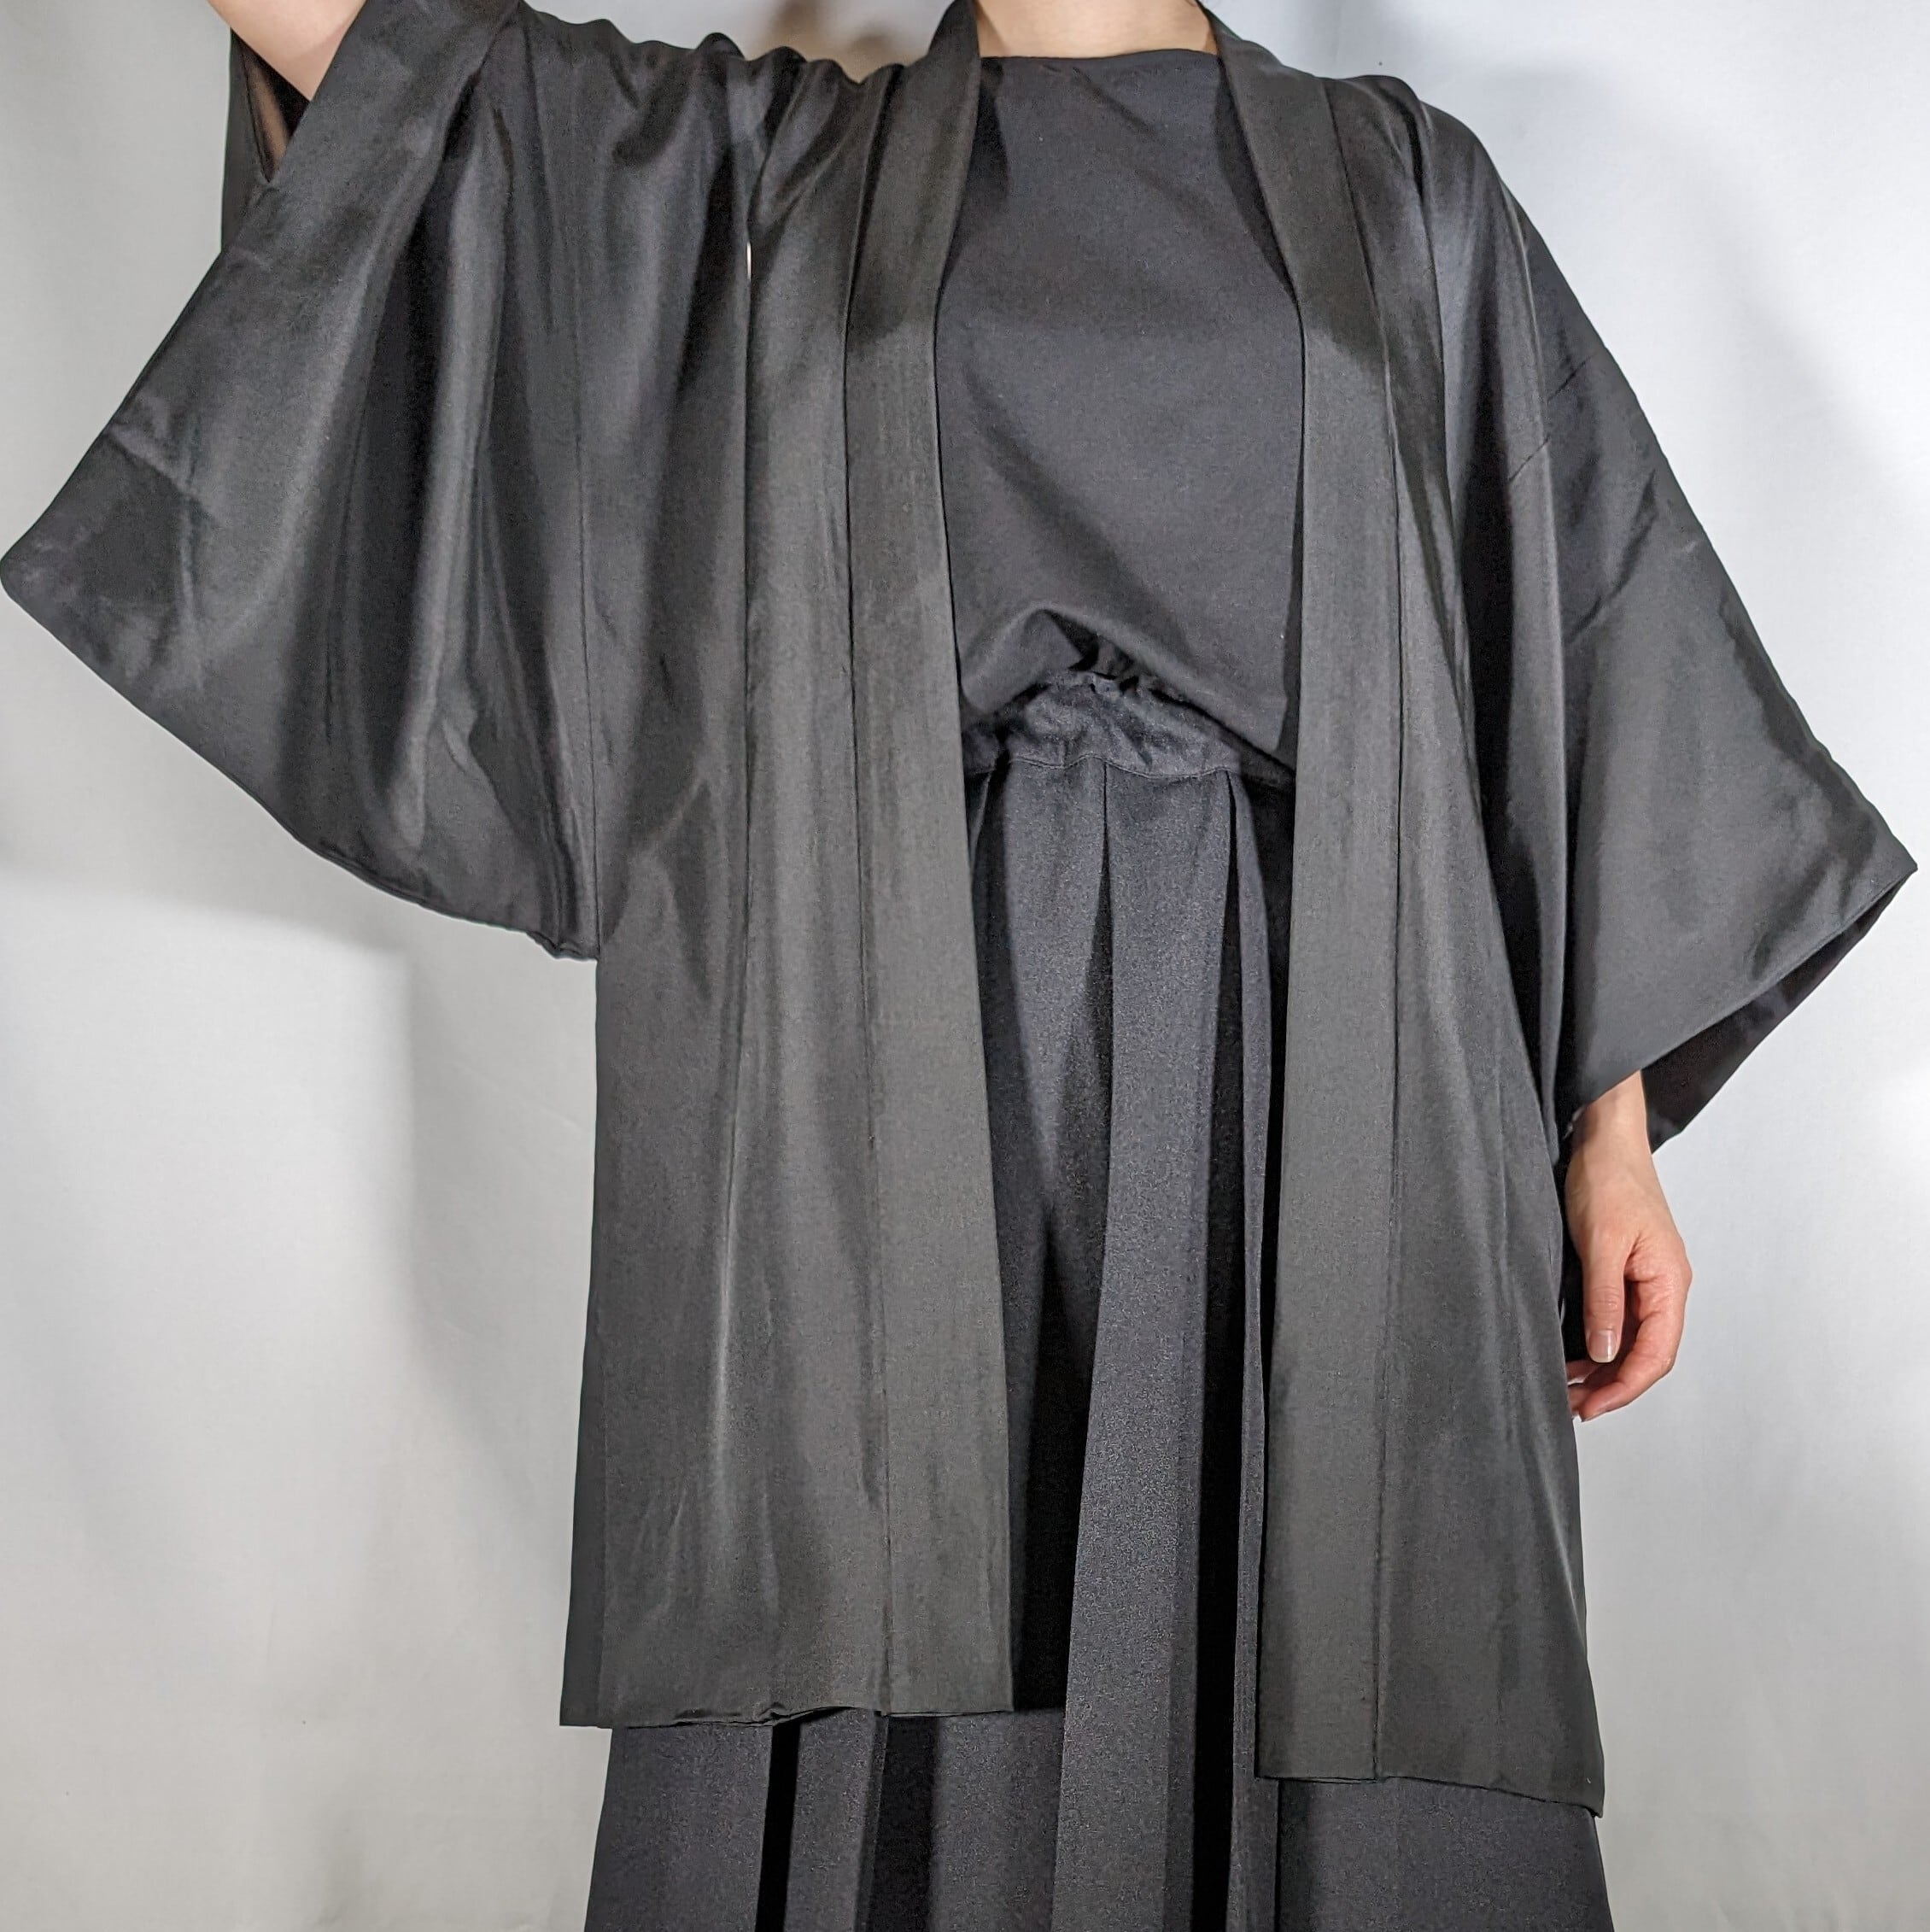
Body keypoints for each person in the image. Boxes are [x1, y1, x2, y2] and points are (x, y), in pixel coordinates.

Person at [3, 0, 1912, 1925]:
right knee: (885, 1624)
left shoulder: (1403, 188)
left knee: (1348, 1640)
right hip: (896, 1053)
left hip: (1326, 1059)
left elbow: (1556, 641)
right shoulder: (763, 175)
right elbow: (367, 51)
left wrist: (1607, 1132)